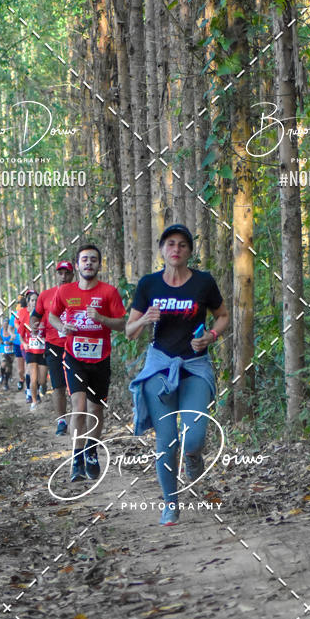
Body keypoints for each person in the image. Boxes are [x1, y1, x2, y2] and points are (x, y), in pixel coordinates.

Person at [127, 224, 229, 525]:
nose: (176, 249)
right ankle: (170, 503)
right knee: (167, 440)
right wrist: (146, 318)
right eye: (170, 243)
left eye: (183, 244)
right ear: (162, 249)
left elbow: (222, 316)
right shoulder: (148, 284)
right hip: (160, 365)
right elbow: (130, 332)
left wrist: (211, 335)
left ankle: (193, 458)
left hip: (194, 365)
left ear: (189, 252)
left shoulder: (203, 282)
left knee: (194, 438)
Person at [48, 243, 126, 482]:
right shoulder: (65, 292)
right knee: (79, 408)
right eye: (84, 259)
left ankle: (92, 450)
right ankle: (76, 457)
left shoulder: (109, 292)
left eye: (93, 259)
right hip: (74, 358)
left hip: (101, 359)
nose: (89, 263)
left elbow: (122, 323)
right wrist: (62, 327)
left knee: (95, 409)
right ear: (77, 265)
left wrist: (101, 318)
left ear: (99, 264)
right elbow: (52, 315)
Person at [31, 260, 74, 436]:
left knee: (78, 386)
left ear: (73, 275)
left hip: (76, 346)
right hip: (54, 345)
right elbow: (35, 316)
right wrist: (34, 325)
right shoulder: (46, 295)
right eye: (60, 273)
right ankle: (62, 421)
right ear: (56, 275)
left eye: (67, 273)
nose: (63, 277)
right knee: (58, 386)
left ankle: (81, 419)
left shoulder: (80, 292)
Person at [20, 290, 47, 411]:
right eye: (32, 300)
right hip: (31, 351)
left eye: (37, 300)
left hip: (42, 352)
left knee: (41, 380)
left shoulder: (45, 315)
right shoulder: (26, 317)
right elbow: (21, 334)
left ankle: (42, 387)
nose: (35, 302)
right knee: (33, 378)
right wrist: (24, 343)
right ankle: (34, 401)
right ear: (28, 302)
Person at [10, 297, 26, 391]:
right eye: (18, 303)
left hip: (28, 344)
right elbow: (10, 328)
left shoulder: (30, 313)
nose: (20, 305)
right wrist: (12, 334)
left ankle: (30, 386)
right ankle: (21, 379)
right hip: (17, 343)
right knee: (20, 370)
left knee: (29, 367)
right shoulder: (14, 316)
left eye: (21, 303)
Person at [0, 318, 15, 390]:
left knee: (8, 368)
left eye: (7, 324)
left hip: (10, 351)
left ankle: (6, 383)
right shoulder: (0, 331)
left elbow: (15, 339)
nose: (5, 325)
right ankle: (2, 375)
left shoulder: (12, 331)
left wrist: (10, 342)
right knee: (3, 364)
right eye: (4, 324)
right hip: (2, 350)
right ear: (2, 324)